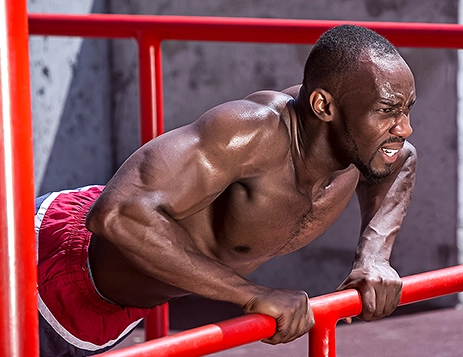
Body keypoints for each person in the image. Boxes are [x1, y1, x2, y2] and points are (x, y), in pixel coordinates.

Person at [35, 24, 417, 356]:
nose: (404, 129)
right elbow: (116, 215)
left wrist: (374, 257)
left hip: (118, 307)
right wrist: (250, 293)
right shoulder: (250, 132)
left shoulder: (362, 148)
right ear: (323, 106)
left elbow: (402, 162)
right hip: (52, 271)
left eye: (407, 110)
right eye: (387, 111)